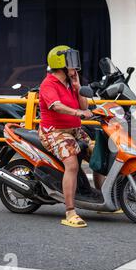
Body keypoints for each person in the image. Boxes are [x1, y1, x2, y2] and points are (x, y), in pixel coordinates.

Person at [38, 45, 94, 228]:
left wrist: (78, 87)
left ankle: (100, 199)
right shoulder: (48, 85)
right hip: (55, 132)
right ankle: (70, 211)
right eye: (71, 62)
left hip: (74, 130)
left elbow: (85, 107)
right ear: (61, 64)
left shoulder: (70, 83)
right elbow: (56, 106)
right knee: (72, 164)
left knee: (98, 154)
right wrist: (78, 113)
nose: (75, 66)